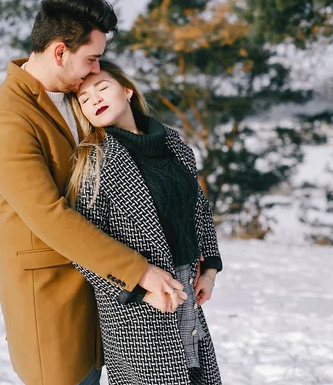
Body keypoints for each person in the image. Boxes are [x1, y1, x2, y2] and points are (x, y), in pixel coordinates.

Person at [0, 0, 186, 385]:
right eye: (90, 58)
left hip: (109, 305)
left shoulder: (71, 99)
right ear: (59, 52)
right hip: (55, 304)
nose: (95, 70)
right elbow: (49, 216)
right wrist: (139, 271)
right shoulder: (6, 115)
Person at [66, 60, 223, 385]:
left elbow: (197, 210)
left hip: (187, 294)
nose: (94, 98)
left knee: (195, 376)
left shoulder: (174, 146)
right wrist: (139, 292)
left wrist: (210, 269)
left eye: (102, 87)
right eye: (84, 98)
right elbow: (83, 249)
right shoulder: (94, 163)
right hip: (135, 312)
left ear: (127, 89)